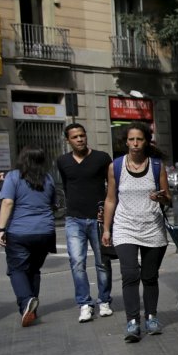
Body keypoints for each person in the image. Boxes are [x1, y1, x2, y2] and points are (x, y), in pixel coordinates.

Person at [102, 122, 172, 343]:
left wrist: (162, 198)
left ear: (146, 141)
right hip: (125, 226)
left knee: (149, 277)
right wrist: (106, 228)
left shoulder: (157, 166)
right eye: (131, 140)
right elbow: (111, 199)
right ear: (126, 142)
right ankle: (132, 322)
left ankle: (151, 316)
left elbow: (168, 198)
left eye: (139, 139)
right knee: (130, 273)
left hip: (152, 226)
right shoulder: (116, 166)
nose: (134, 144)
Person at [57, 123, 114, 322]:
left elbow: (112, 187)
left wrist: (107, 213)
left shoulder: (102, 158)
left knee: (102, 262)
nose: (80, 139)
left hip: (98, 219)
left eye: (82, 135)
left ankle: (104, 300)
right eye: (75, 137)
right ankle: (84, 303)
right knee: (77, 263)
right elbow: (66, 186)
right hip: (74, 219)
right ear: (68, 140)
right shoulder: (62, 161)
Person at [0, 146, 57, 327]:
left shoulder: (14, 176)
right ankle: (30, 309)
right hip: (46, 232)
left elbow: (8, 202)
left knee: (16, 269)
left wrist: (0, 228)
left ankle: (26, 302)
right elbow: (54, 204)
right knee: (33, 269)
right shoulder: (48, 178)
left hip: (19, 232)